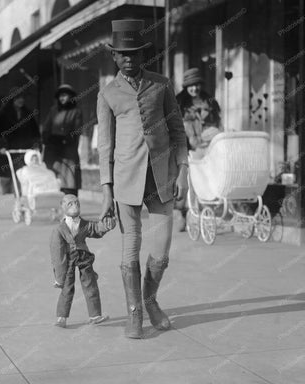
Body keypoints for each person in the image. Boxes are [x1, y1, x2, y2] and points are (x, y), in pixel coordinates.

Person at [97, 19, 188, 339]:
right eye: (123, 54)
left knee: (161, 252)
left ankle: (150, 300)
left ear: (143, 53)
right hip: (126, 180)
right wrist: (107, 192)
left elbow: (178, 130)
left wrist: (183, 171)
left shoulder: (162, 84)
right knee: (129, 249)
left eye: (135, 52)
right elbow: (105, 146)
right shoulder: (108, 93)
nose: (129, 59)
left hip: (162, 177)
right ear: (114, 56)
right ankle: (135, 312)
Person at [50, 194, 115, 328]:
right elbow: (57, 252)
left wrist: (106, 225)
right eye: (70, 204)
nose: (75, 206)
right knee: (67, 287)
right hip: (68, 260)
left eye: (77, 203)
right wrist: (59, 276)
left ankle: (95, 315)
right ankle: (61, 317)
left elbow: (96, 229)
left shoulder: (85, 224)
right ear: (62, 206)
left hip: (84, 258)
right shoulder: (59, 229)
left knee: (90, 284)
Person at [173, 68, 223, 231]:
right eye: (190, 86)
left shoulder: (209, 101)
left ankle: (207, 213)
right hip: (187, 148)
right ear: (186, 87)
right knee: (188, 180)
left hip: (208, 147)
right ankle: (184, 214)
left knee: (208, 179)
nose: (194, 89)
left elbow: (217, 123)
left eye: (196, 85)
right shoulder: (180, 104)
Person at [0, 88, 41, 194]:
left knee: (21, 176)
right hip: (7, 150)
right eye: (17, 98)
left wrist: (36, 145)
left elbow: (35, 132)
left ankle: (19, 200)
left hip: (22, 150)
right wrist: (1, 146)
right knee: (6, 177)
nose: (20, 100)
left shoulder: (28, 113)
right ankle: (7, 198)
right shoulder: (4, 113)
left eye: (22, 98)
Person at [42, 84, 82, 196]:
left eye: (65, 95)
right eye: (60, 96)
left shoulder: (76, 111)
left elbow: (77, 130)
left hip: (68, 150)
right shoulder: (53, 110)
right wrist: (48, 138)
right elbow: (46, 128)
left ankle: (71, 208)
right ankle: (59, 207)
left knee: (70, 181)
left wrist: (66, 139)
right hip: (54, 151)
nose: (62, 98)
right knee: (56, 180)